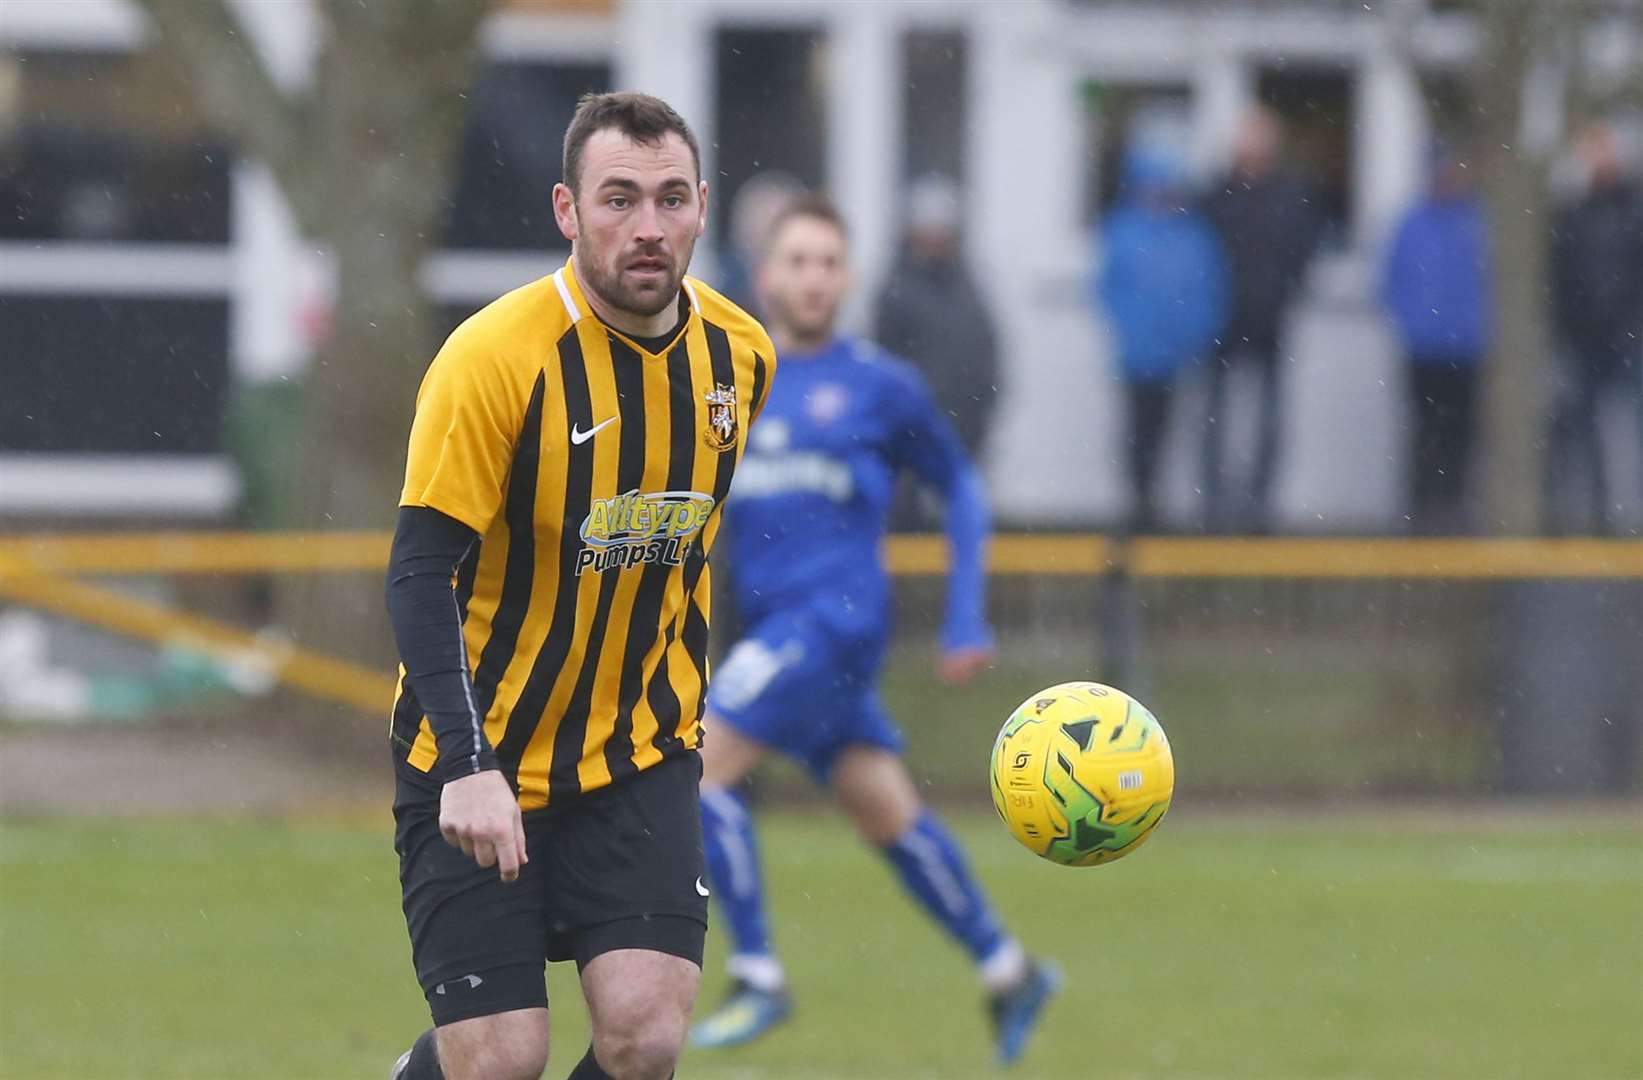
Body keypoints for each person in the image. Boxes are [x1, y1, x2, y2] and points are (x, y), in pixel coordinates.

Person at [385, 91, 775, 1080]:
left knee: (644, 1037)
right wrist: (468, 763)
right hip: (480, 754)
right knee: (501, 1063)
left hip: (639, 752)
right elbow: (420, 573)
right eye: (618, 199)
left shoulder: (741, 357)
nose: (647, 227)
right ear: (566, 210)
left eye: (670, 198)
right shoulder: (492, 360)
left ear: (699, 207)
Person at [687, 195, 1059, 1065]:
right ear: (766, 275)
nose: (813, 278)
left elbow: (960, 488)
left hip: (837, 623)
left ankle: (757, 974)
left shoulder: (880, 385)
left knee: (692, 769)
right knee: (884, 811)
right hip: (782, 628)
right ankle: (1008, 969)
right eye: (798, 261)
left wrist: (966, 614)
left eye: (829, 262)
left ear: (847, 278)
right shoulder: (732, 379)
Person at [1200, 106, 1326, 532]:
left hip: (1270, 318)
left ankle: (1260, 499)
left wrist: (1285, 289)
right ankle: (1215, 499)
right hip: (1222, 320)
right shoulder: (1217, 195)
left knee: (1269, 412)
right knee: (1215, 413)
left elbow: (1305, 246)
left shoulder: (1289, 194)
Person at [1097, 144, 1228, 533]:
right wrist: (1132, 332)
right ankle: (1138, 503)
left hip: (1177, 355)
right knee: (1137, 429)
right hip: (1137, 354)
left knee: (1170, 430)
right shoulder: (1123, 230)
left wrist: (1195, 336)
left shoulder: (1194, 235)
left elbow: (1209, 290)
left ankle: (1159, 506)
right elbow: (1109, 290)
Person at [1381, 144, 1492, 534]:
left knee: (1461, 432)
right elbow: (1392, 280)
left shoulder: (1478, 222)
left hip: (1467, 349)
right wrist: (1412, 324)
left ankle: (1453, 506)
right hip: (1424, 349)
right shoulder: (1412, 223)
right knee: (1425, 430)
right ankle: (1422, 508)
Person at [1547, 119, 1643, 534]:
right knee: (1584, 431)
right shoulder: (1573, 211)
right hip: (1585, 337)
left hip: (1628, 336)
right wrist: (1569, 326)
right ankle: (1598, 515)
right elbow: (1561, 276)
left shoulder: (1633, 210)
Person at [872, 173, 1002, 459]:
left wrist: (987, 401)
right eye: (928, 230)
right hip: (914, 430)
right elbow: (882, 363)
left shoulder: (968, 286)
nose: (936, 238)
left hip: (967, 426)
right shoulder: (896, 291)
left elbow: (986, 348)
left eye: (942, 230)